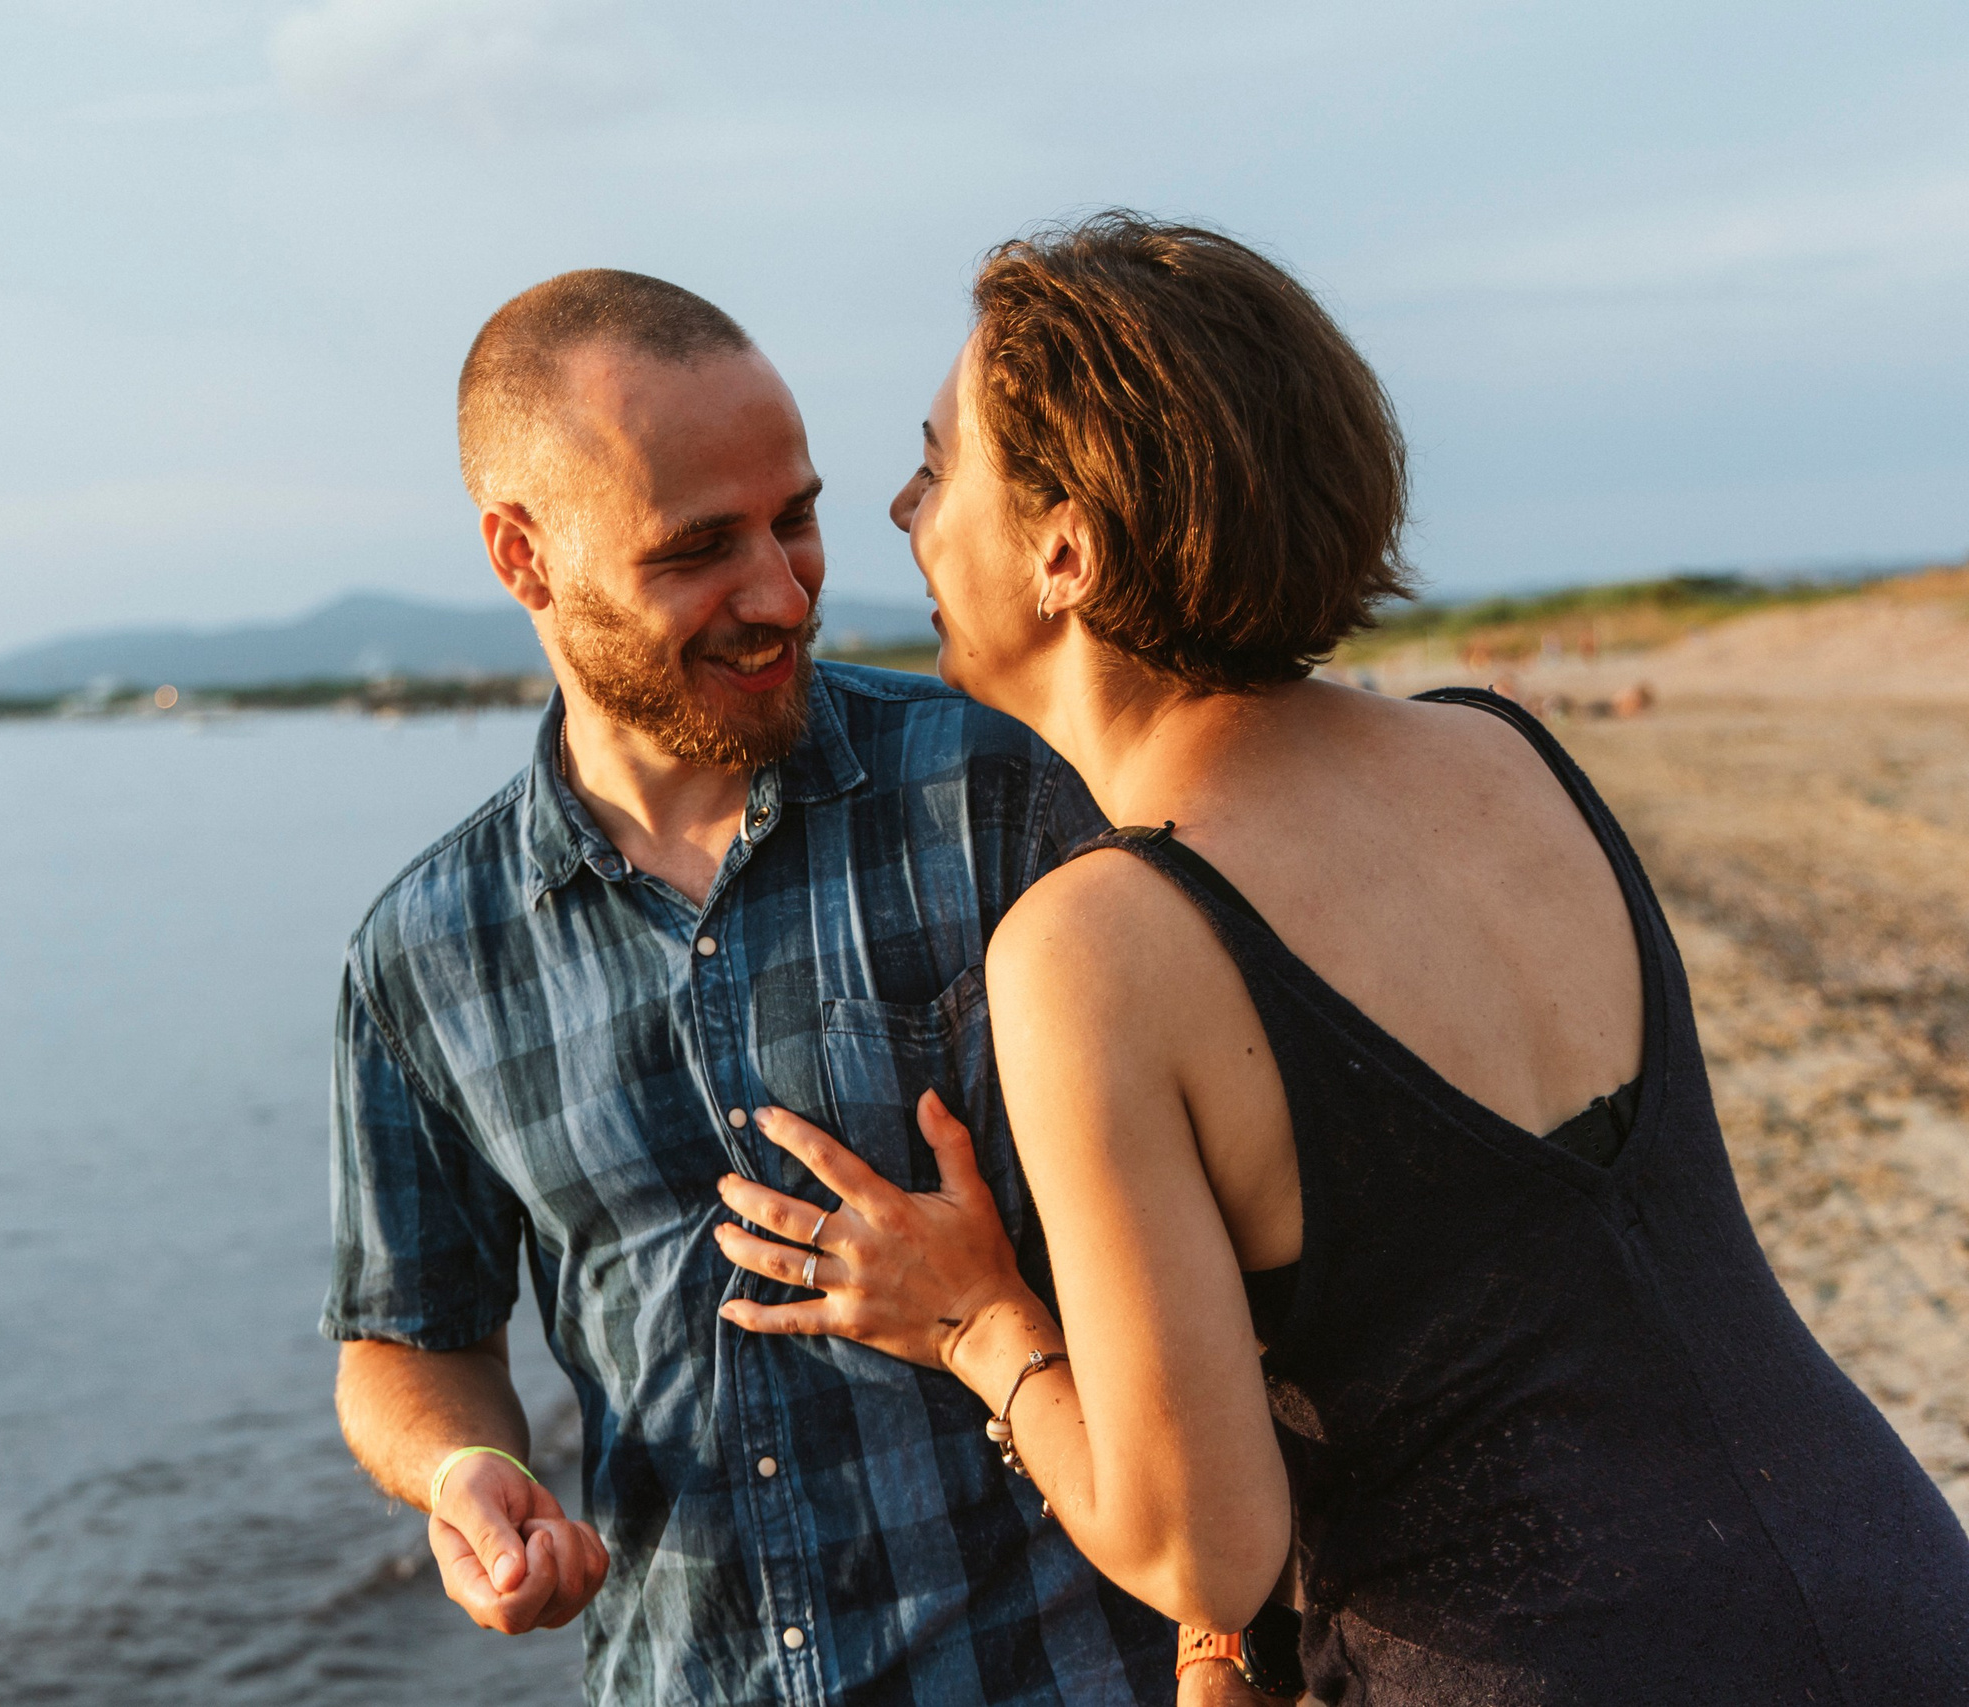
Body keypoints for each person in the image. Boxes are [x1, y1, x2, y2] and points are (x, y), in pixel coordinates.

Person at [712, 212, 1969, 1705]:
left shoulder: (1096, 945)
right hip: (1889, 1579)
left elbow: (1202, 1546)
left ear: (1067, 546)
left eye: (937, 467)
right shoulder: (1506, 750)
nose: (910, 516)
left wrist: (980, 1326)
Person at [323, 269, 1191, 1705]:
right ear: (522, 558)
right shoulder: (422, 952)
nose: (783, 593)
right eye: (699, 548)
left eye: (797, 517)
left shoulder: (995, 798)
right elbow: (408, 1336)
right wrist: (467, 1472)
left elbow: (1229, 1278)